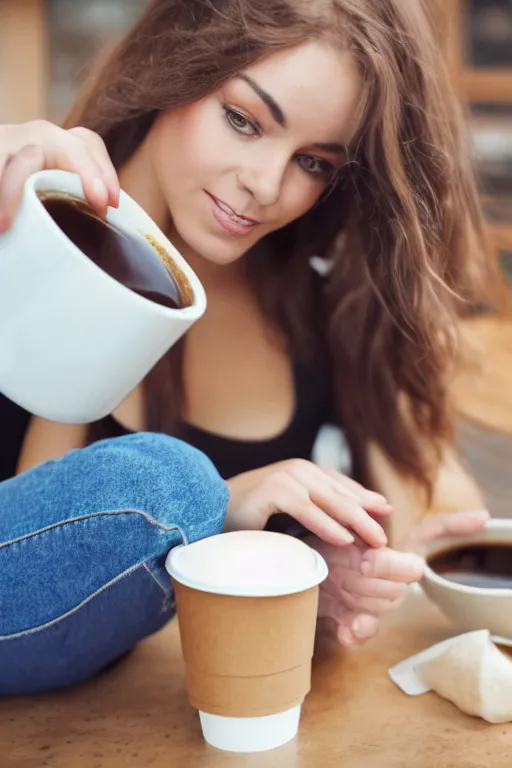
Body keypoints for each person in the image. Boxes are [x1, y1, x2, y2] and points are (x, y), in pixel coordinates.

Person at [0, 0, 493, 695]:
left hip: (199, 726)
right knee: (173, 485)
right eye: (243, 120)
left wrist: (336, 583)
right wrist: (219, 516)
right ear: (175, 67)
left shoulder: (324, 311)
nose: (265, 186)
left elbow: (434, 532)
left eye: (315, 163)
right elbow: (37, 582)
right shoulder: (16, 219)